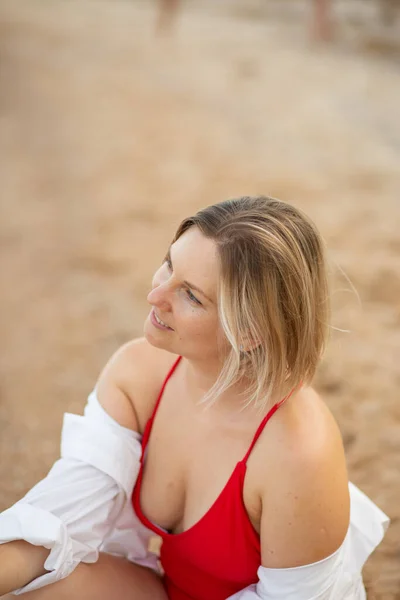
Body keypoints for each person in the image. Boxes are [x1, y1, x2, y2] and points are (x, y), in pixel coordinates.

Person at [0, 196, 389, 599]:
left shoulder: (297, 451)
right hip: (164, 590)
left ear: (249, 332)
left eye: (190, 295)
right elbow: (61, 517)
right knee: (40, 590)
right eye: (169, 264)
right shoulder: (138, 374)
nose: (156, 297)